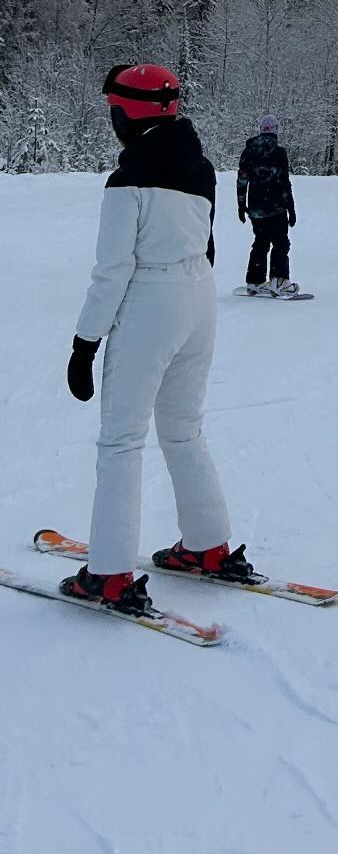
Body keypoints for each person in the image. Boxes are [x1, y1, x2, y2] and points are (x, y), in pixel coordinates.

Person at [61, 63, 257, 617]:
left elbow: (113, 270)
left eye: (114, 112)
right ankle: (208, 547)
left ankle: (110, 575)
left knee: (121, 440)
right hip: (199, 301)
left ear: (129, 113)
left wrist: (85, 342)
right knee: (184, 431)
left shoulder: (128, 181)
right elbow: (210, 245)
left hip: (151, 303)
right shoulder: (200, 168)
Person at [236, 115, 298, 296]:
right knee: (280, 243)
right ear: (276, 130)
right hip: (276, 207)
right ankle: (279, 280)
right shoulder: (278, 152)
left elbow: (241, 180)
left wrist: (241, 205)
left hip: (255, 208)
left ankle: (254, 281)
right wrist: (291, 208)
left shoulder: (248, 152)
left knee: (260, 242)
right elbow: (283, 182)